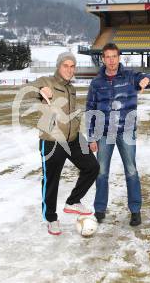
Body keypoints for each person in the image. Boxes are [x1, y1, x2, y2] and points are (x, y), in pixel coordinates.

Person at [86, 43, 150, 226]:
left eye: (114, 56)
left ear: (119, 57)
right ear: (103, 59)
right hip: (104, 134)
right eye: (108, 57)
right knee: (101, 173)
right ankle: (100, 210)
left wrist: (148, 79)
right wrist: (91, 137)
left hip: (126, 132)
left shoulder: (130, 77)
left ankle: (135, 210)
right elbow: (90, 110)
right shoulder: (96, 83)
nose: (111, 60)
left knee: (131, 171)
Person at [33, 52, 99, 235]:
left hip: (74, 138)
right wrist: (40, 91)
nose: (69, 70)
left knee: (92, 167)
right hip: (53, 140)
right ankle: (51, 219)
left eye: (72, 66)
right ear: (58, 66)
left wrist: (85, 137)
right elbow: (29, 89)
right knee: (51, 181)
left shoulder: (71, 88)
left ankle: (73, 201)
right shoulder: (47, 81)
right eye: (65, 66)